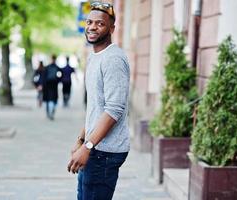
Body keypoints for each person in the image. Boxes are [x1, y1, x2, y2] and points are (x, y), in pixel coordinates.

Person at [67, 2, 130, 200]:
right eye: (89, 22)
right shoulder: (95, 57)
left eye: (100, 24)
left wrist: (88, 147)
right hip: (95, 147)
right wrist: (80, 139)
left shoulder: (113, 59)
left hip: (105, 152)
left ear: (111, 28)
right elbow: (96, 107)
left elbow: (113, 110)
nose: (92, 27)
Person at [42, 54, 61, 120]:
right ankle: (51, 113)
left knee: (49, 99)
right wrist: (58, 80)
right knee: (52, 99)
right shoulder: (56, 67)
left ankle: (50, 113)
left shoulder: (47, 67)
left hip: (49, 85)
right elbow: (60, 75)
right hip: (52, 85)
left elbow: (43, 76)